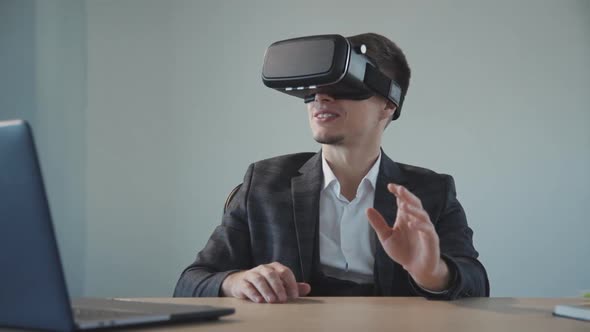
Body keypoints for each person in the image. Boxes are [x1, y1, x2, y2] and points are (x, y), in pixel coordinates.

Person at [173, 33, 489, 302]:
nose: (322, 97)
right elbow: (190, 282)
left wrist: (432, 273)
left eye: (344, 85)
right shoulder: (265, 183)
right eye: (315, 86)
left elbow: (477, 286)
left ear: (389, 105)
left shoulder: (429, 192)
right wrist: (235, 282)